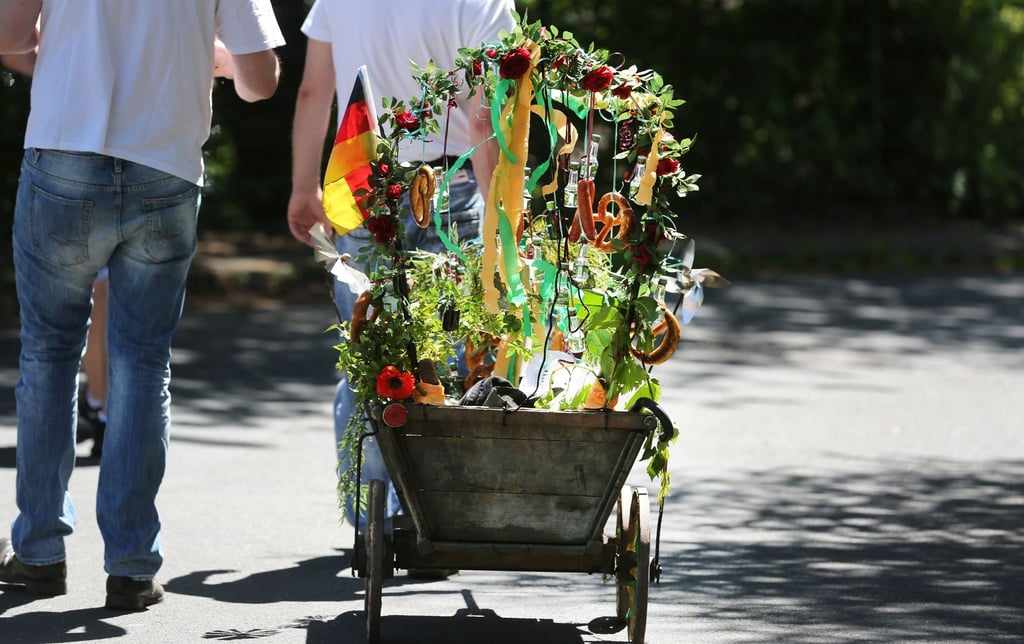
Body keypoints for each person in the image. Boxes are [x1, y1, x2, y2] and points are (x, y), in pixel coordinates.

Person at [0, 0, 284, 610]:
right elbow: (261, 82)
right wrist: (213, 61)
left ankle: (39, 552)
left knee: (48, 355)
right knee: (142, 362)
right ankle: (130, 565)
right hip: (166, 169)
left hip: (63, 157)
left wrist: (67, 61)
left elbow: (8, 38)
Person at [286, 0, 514, 547]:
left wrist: (302, 187)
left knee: (367, 351)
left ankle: (371, 518)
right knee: (457, 354)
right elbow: (486, 115)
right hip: (453, 184)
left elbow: (314, 90)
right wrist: (497, 218)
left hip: (362, 181)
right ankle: (441, 514)